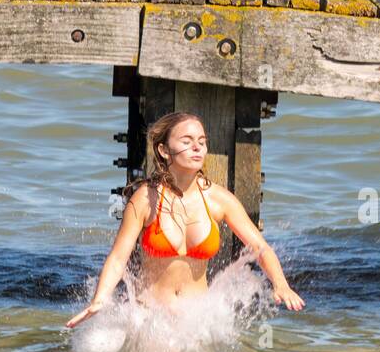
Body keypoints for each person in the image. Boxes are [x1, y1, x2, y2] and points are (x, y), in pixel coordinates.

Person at [66, 112, 304, 328]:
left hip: (196, 320)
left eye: (202, 142)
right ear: (163, 150)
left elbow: (260, 247)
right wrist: (100, 299)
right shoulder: (145, 199)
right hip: (149, 318)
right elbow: (118, 258)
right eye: (187, 142)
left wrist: (280, 284)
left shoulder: (219, 199)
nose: (197, 148)